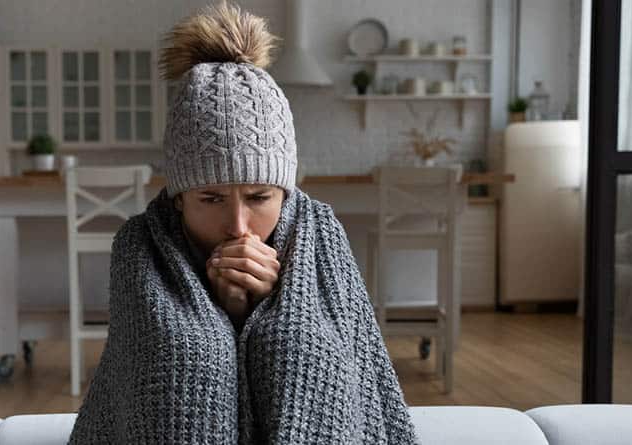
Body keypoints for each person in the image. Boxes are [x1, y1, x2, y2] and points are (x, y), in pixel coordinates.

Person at [68, 3, 417, 443]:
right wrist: (225, 308)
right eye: (211, 198)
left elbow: (348, 372)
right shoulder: (140, 246)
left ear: (286, 193)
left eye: (259, 197)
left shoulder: (320, 233)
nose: (237, 224)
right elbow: (152, 378)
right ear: (179, 199)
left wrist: (268, 306)